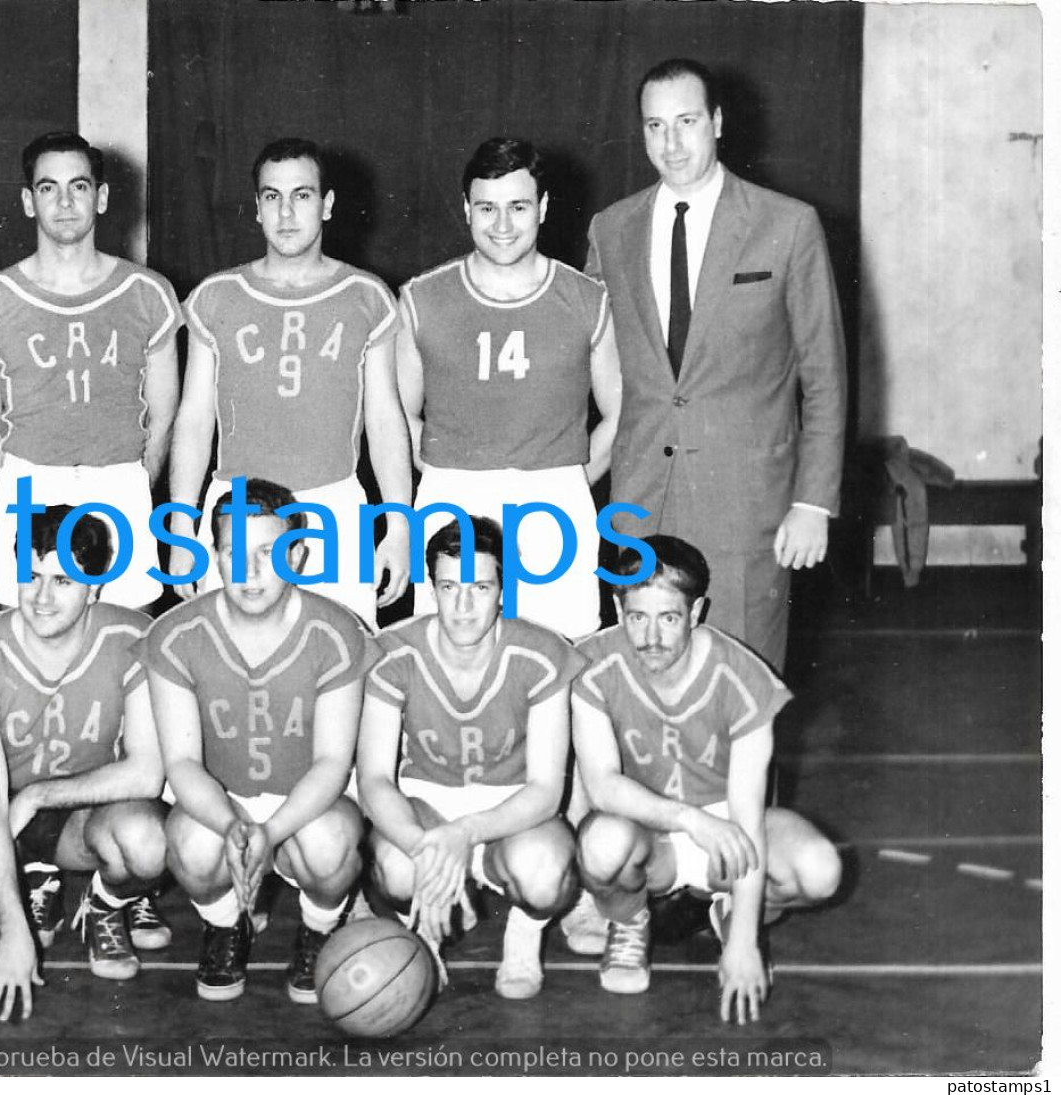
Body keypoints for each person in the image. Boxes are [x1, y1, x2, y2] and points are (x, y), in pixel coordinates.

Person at [584, 59, 846, 672]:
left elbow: (825, 377)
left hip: (750, 505)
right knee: (646, 688)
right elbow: (589, 362)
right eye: (655, 126)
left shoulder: (788, 224)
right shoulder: (611, 229)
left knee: (743, 690)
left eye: (686, 122)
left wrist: (813, 502)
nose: (671, 144)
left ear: (719, 123)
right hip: (641, 500)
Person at [0, 506, 168, 1020]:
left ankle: (104, 904)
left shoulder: (134, 640)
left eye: (63, 579)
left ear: (95, 587)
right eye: (31, 575)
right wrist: (14, 931)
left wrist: (40, 795)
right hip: (0, 811)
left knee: (149, 843)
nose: (42, 597)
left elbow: (147, 773)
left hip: (85, 813)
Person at [572, 535, 842, 1023]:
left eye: (669, 617)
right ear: (617, 609)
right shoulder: (591, 667)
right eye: (637, 616)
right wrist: (689, 819)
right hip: (650, 829)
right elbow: (604, 785)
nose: (651, 636)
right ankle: (628, 922)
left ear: (696, 613)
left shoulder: (745, 680)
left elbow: (746, 816)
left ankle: (732, 911)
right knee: (601, 843)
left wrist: (743, 944)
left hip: (728, 832)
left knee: (821, 870)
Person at [144, 478, 374, 1003]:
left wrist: (270, 832)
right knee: (189, 842)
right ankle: (227, 925)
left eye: (267, 553)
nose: (248, 572)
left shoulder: (337, 632)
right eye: (232, 552)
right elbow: (181, 763)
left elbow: (334, 763)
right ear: (215, 557)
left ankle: (318, 931)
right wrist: (231, 826)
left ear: (298, 553)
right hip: (224, 799)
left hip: (307, 806)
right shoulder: (175, 635)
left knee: (330, 842)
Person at [168, 138, 414, 627]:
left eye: (301, 195)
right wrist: (180, 528)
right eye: (271, 196)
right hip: (236, 510)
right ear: (257, 208)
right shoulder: (216, 296)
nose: (286, 212)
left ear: (326, 206)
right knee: (233, 667)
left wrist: (399, 529)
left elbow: (386, 420)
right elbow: (194, 420)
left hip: (333, 506)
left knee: (340, 669)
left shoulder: (366, 296)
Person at [396, 137, 622, 640]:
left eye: (518, 207)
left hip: (554, 497)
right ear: (466, 209)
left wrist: (570, 482)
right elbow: (397, 413)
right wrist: (439, 472)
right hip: (451, 494)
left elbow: (622, 411)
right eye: (487, 208)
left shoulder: (587, 299)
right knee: (446, 661)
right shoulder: (421, 297)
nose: (502, 225)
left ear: (542, 207)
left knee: (560, 661)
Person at [357, 517, 584, 1000]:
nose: (462, 605)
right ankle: (424, 933)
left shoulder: (542, 653)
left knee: (545, 873)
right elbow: (374, 780)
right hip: (425, 802)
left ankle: (523, 933)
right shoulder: (393, 653)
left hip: (512, 808)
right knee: (397, 866)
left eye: (479, 587)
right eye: (449, 586)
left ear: (503, 589)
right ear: (431, 588)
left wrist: (464, 835)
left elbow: (546, 790)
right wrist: (428, 852)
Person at [0, 132, 181, 611]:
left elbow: (163, 417)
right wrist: (35, 481)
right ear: (27, 201)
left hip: (119, 484)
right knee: (29, 654)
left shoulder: (149, 293)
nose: (63, 201)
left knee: (120, 649)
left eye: (78, 186)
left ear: (100, 197)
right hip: (29, 487)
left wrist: (132, 484)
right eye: (47, 187)